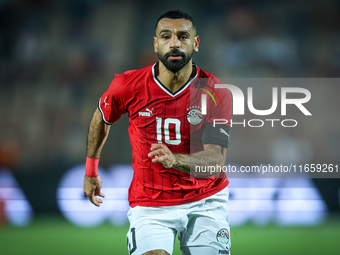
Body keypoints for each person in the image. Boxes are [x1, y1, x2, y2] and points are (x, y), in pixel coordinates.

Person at [83, 10, 232, 255]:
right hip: (151, 203)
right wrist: (91, 171)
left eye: (183, 36)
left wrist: (175, 160)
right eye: (166, 36)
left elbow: (215, 161)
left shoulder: (215, 91)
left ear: (195, 43)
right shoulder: (127, 85)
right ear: (155, 43)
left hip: (205, 200)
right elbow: (101, 117)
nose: (174, 43)